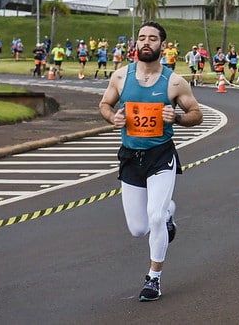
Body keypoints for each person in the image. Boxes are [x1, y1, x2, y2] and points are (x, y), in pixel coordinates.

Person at [98, 21, 203, 302]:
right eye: (142, 37)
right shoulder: (121, 77)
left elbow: (197, 114)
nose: (146, 42)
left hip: (161, 155)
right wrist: (113, 117)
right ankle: (169, 212)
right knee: (138, 229)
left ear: (162, 45)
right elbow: (105, 105)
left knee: (153, 217)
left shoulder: (175, 82)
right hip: (131, 157)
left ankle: (153, 278)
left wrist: (178, 118)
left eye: (152, 38)